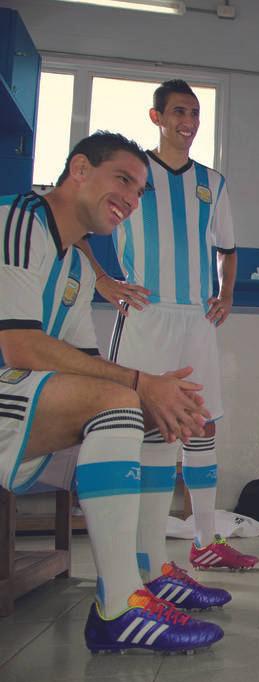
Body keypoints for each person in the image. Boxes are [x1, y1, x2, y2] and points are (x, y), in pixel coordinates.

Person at [0, 131, 225, 652]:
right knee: (125, 399)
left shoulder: (77, 265)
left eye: (140, 190)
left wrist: (156, 395)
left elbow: (89, 366)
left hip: (27, 406)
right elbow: (18, 347)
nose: (130, 198)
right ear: (79, 168)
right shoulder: (21, 221)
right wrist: (140, 383)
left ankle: (149, 574)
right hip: (10, 388)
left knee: (163, 414)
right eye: (122, 179)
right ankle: (118, 607)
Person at [85, 79, 256, 574]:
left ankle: (204, 541)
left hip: (196, 321)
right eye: (179, 111)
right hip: (144, 315)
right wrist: (101, 278)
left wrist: (226, 294)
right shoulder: (132, 174)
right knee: (143, 428)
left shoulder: (212, 181)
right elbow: (74, 222)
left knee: (200, 426)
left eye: (196, 113)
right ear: (157, 117)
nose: (189, 122)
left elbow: (227, 247)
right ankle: (141, 556)